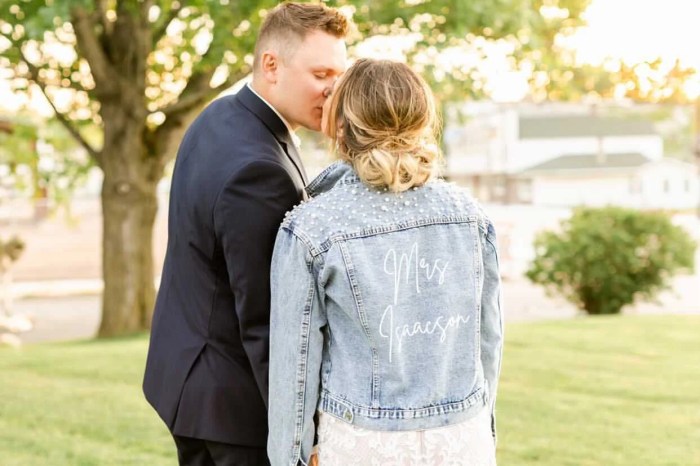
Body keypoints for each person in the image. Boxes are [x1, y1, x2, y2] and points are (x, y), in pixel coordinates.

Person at [267, 58, 504, 465]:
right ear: (424, 122)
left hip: (362, 443)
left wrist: (290, 458)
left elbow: (296, 365)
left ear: (342, 126)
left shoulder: (313, 227)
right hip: (463, 438)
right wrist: (484, 429)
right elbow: (488, 343)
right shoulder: (470, 216)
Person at [142, 3, 349, 465]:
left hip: (189, 378)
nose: (334, 89)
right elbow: (267, 317)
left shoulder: (221, 118)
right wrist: (304, 434)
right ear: (271, 65)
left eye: (340, 74)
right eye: (321, 73)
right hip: (231, 405)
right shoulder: (258, 169)